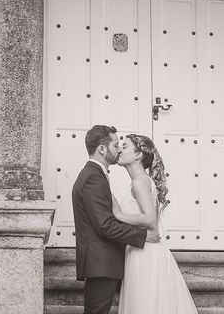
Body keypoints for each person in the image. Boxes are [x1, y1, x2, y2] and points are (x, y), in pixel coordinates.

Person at [72, 124, 160, 314]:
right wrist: (142, 237)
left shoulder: (95, 175)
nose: (119, 149)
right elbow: (105, 225)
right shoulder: (93, 177)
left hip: (106, 263)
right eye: (115, 145)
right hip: (101, 263)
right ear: (102, 149)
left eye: (122, 146)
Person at [113, 133, 198, 314]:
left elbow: (149, 220)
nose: (119, 149)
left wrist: (118, 214)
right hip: (143, 248)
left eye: (125, 146)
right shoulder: (142, 181)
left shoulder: (140, 182)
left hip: (144, 253)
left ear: (138, 155)